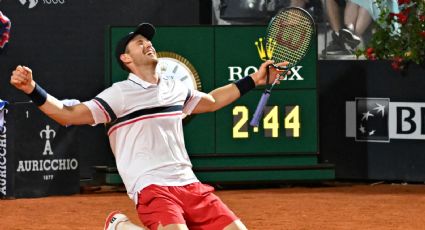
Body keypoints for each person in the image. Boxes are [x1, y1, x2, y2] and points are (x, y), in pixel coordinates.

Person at [10, 22, 288, 230]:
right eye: (139, 42)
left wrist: (254, 79)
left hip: (189, 184)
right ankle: (120, 225)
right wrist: (33, 89)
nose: (148, 44)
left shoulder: (175, 88)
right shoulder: (119, 94)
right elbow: (67, 115)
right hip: (152, 186)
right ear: (126, 59)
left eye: (148, 40)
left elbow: (213, 100)